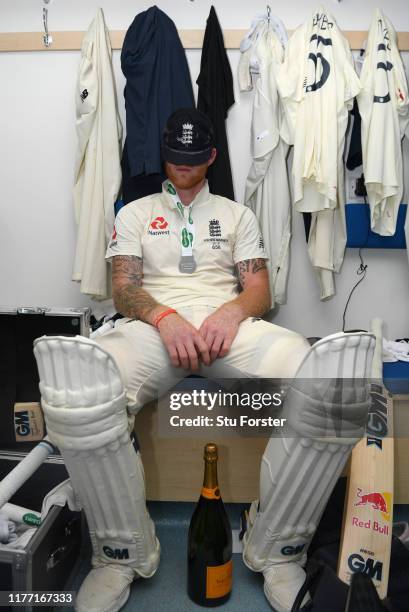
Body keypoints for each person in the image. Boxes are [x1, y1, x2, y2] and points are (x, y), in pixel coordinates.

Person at [33, 108, 374, 612]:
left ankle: (278, 549)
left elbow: (259, 287)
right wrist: (165, 318)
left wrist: (231, 313)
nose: (182, 167)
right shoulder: (133, 212)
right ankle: (120, 553)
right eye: (174, 158)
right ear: (163, 156)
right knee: (84, 383)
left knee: (318, 378)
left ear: (212, 156)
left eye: (193, 159)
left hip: (225, 329)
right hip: (153, 330)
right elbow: (123, 289)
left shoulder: (237, 215)